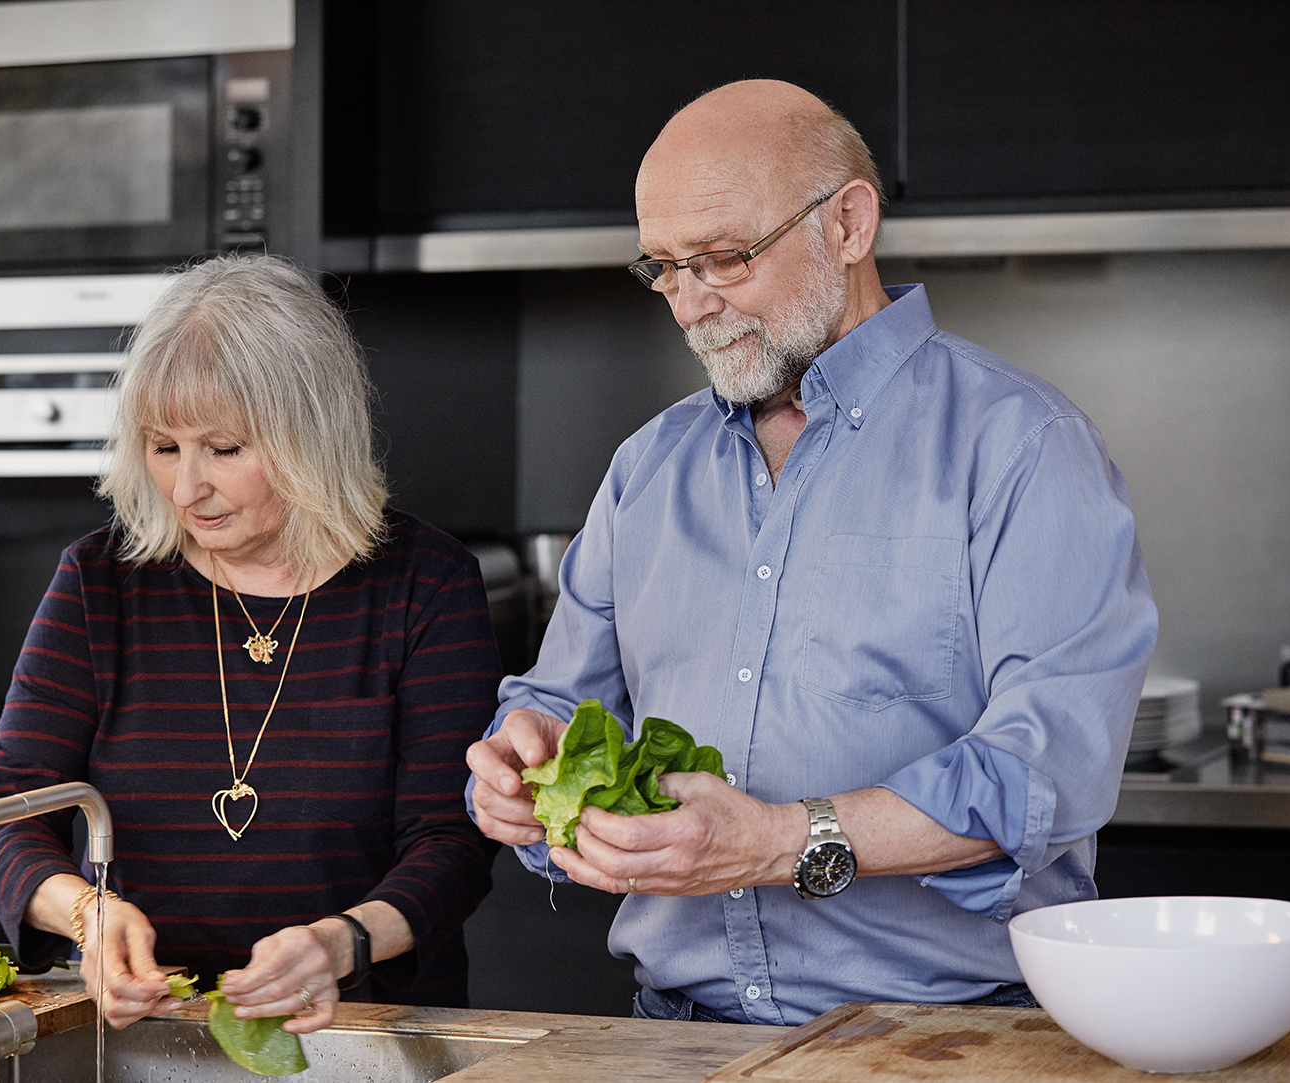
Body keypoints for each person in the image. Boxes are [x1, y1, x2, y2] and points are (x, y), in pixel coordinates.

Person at [466, 79, 1157, 1027]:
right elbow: (563, 702)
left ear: (849, 224)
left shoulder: (1021, 445)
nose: (689, 304)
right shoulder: (645, 469)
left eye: (721, 258)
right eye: (663, 268)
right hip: (680, 1033)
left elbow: (1048, 769)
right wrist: (521, 770)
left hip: (949, 1039)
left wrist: (783, 840)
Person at [0, 254, 501, 1031]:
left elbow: (452, 838)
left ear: (309, 434)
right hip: (145, 1024)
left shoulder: (425, 584)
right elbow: (7, 816)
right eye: (163, 447)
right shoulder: (101, 583)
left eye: (223, 449)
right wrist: (88, 915)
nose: (188, 488)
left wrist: (344, 940)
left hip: (363, 1026)